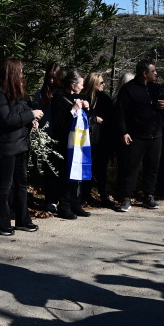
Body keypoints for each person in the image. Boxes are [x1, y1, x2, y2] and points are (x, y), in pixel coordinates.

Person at [0, 57, 44, 236]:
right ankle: (2, 222)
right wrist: (30, 114)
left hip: (20, 143)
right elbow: (6, 119)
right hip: (5, 145)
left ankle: (22, 219)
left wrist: (31, 119)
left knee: (21, 183)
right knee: (6, 185)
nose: (21, 74)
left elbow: (23, 110)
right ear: (11, 72)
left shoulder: (17, 91)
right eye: (19, 71)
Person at [113, 60, 164, 213]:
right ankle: (126, 198)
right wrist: (123, 132)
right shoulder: (128, 89)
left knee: (152, 167)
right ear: (145, 73)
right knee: (131, 168)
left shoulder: (157, 88)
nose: (156, 73)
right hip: (136, 136)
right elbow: (120, 113)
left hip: (155, 135)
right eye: (153, 71)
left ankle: (148, 196)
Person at [51, 70, 92, 219]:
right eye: (81, 84)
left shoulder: (78, 97)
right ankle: (64, 206)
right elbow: (58, 123)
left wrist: (86, 108)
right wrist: (72, 111)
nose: (82, 87)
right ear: (73, 84)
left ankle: (76, 204)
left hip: (78, 143)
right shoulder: (58, 99)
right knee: (66, 175)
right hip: (64, 143)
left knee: (77, 174)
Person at [32, 62, 62, 213]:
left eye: (54, 78)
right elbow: (35, 111)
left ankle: (61, 198)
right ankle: (50, 199)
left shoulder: (62, 93)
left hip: (60, 135)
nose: (51, 81)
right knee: (50, 169)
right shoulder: (40, 93)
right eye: (49, 78)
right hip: (46, 136)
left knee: (61, 168)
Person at [82, 72, 116, 205]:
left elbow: (112, 119)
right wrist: (94, 119)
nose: (104, 84)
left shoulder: (106, 99)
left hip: (102, 139)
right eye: (101, 82)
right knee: (87, 168)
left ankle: (103, 196)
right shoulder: (83, 98)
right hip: (87, 139)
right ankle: (85, 196)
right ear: (94, 83)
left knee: (101, 169)